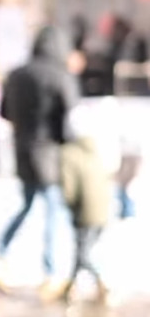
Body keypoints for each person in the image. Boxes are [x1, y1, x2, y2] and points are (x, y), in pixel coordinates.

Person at [0, 25, 80, 301]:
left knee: (27, 205)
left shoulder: (17, 74)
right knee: (53, 211)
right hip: (50, 153)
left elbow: (4, 111)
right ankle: (52, 273)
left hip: (22, 149)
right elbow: (70, 116)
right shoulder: (60, 75)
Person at [58, 107, 113, 304]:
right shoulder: (95, 148)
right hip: (103, 210)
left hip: (85, 212)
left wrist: (69, 205)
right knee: (82, 251)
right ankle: (70, 289)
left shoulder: (68, 153)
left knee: (83, 254)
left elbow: (69, 189)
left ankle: (104, 282)